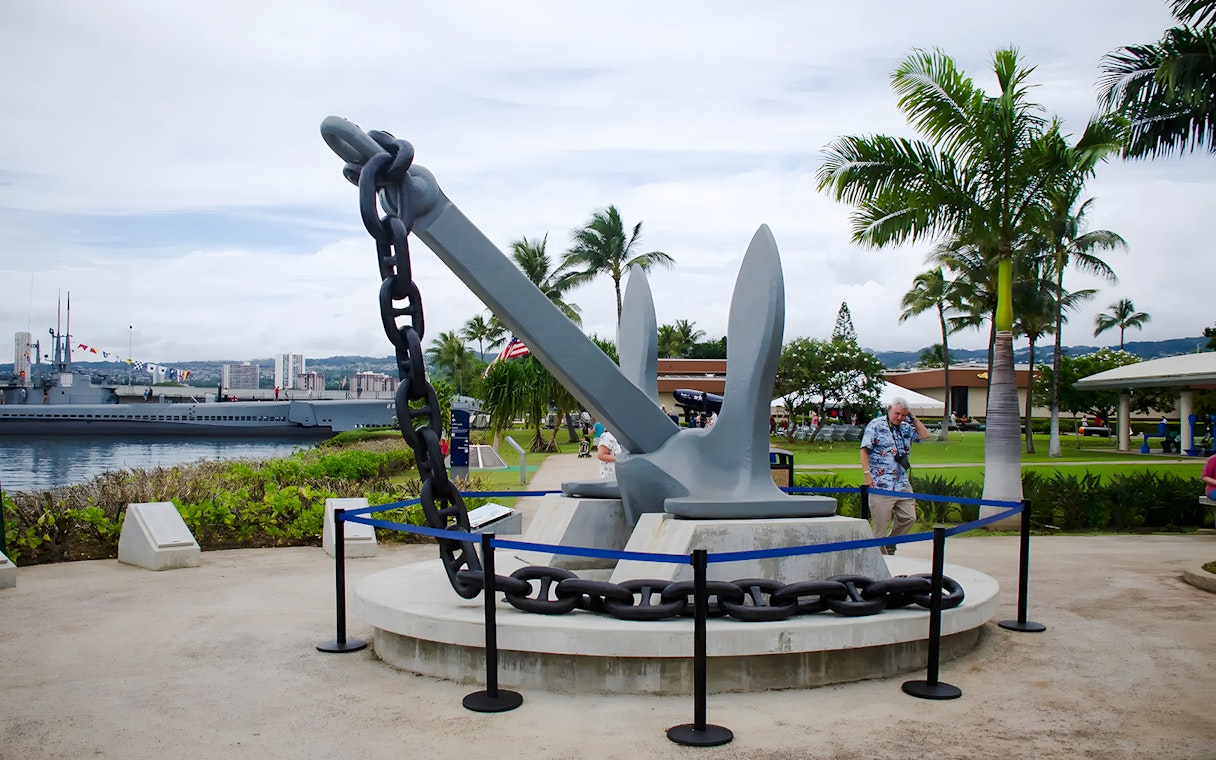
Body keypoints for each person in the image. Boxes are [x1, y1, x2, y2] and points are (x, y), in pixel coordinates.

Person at [860, 397, 932, 555]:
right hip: (881, 484)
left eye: (903, 415)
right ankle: (881, 559)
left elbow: (925, 435)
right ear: (889, 409)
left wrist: (912, 417)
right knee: (880, 529)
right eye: (897, 413)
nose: (900, 417)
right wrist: (867, 474)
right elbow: (864, 449)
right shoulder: (876, 425)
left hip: (901, 483)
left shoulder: (906, 427)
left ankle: (891, 543)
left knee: (909, 518)